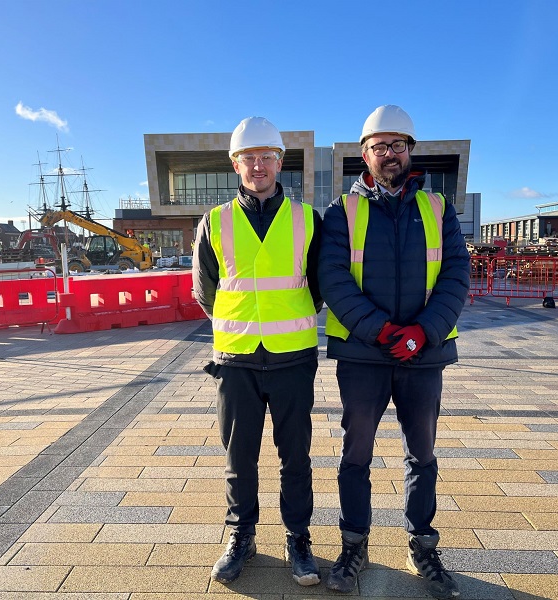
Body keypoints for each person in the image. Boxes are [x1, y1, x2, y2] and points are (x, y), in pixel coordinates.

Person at [318, 105, 470, 598]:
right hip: (364, 355)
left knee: (422, 454)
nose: (389, 154)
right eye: (379, 146)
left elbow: (456, 276)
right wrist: (383, 332)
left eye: (397, 145)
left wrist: (423, 332)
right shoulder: (342, 212)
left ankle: (422, 545)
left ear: (410, 151)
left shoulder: (439, 209)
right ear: (364, 155)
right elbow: (333, 278)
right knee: (356, 454)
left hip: (423, 356)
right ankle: (353, 545)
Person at [192, 117, 324, 586]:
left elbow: (319, 287)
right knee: (239, 457)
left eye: (267, 156)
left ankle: (298, 538)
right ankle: (241, 535)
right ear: (235, 164)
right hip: (236, 360)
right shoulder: (215, 221)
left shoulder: (308, 219)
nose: (258, 165)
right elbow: (206, 291)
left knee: (296, 458)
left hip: (293, 357)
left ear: (280, 162)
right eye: (249, 157)